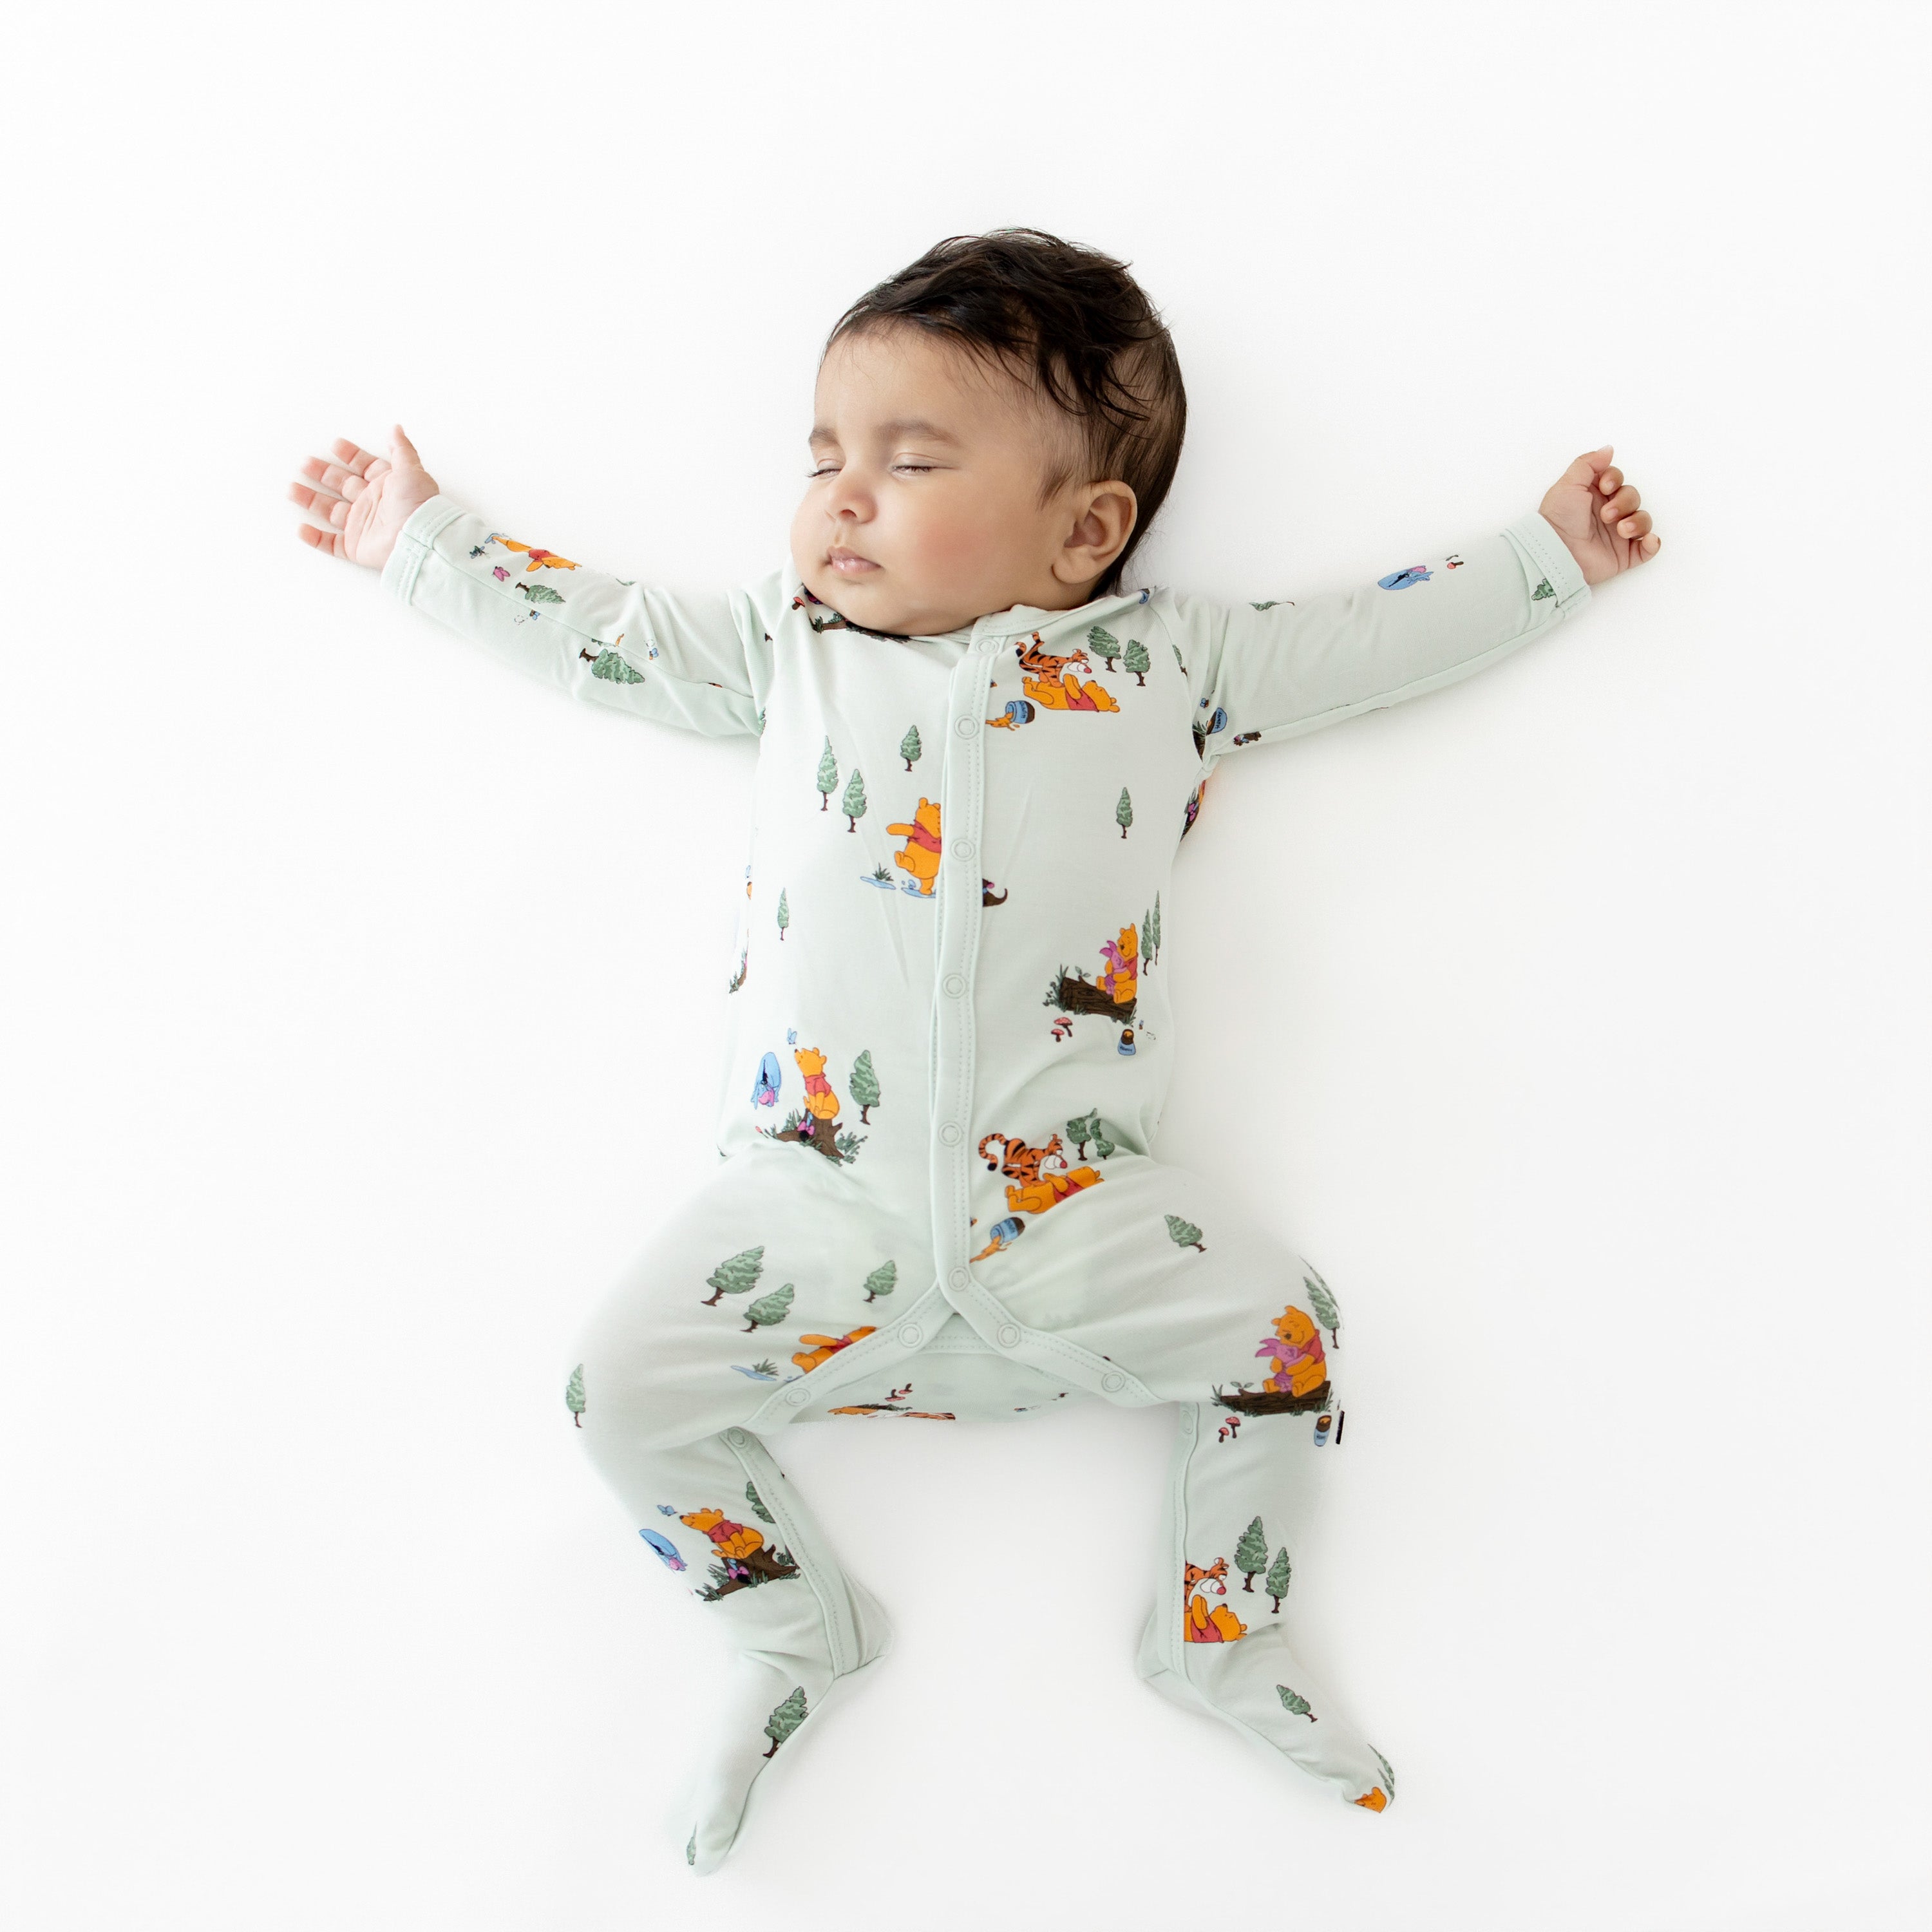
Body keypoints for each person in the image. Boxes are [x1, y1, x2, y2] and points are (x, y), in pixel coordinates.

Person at [288, 228, 1660, 1875]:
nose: (840, 498)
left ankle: (1217, 1636)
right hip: (810, 1205)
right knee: (615, 1393)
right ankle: (798, 1633)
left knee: (1287, 1339)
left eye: (909, 457)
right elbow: (608, 630)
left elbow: (1366, 642)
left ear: (1087, 532)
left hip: (1073, 1207)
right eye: (823, 457)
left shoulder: (1174, 668)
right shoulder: (789, 660)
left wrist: (1549, 556)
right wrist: (417, 541)